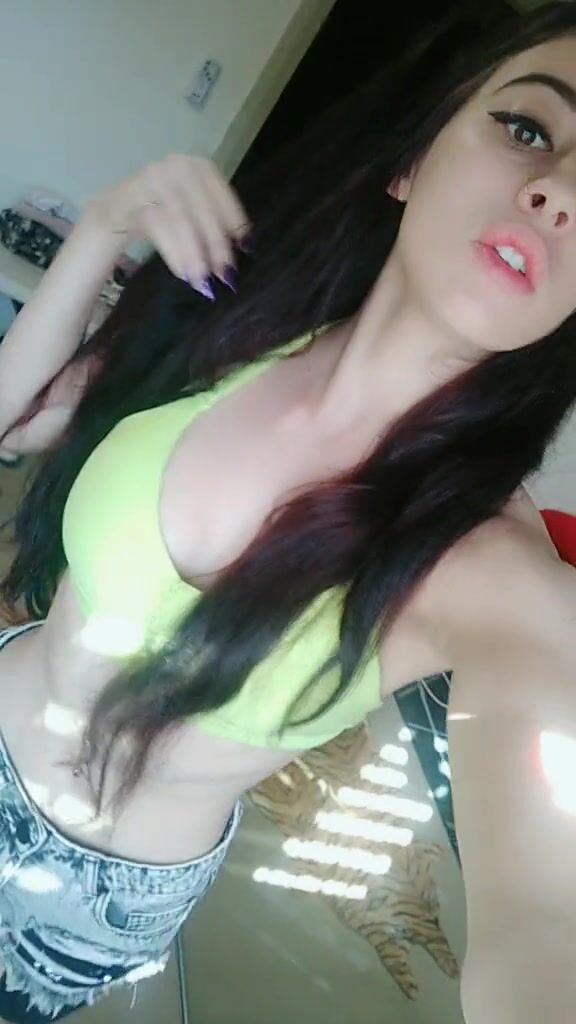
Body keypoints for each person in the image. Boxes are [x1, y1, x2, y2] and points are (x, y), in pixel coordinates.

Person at [0, 4, 575, 1021]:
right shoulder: (246, 319)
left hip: (77, 911)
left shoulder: (492, 568)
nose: (559, 191)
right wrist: (102, 228)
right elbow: (18, 418)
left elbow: (544, 921)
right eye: (529, 128)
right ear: (412, 160)